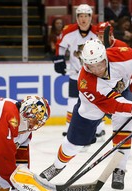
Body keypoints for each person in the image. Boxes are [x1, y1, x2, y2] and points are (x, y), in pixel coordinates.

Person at [40, 39, 132, 191]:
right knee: (73, 143)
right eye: (91, 66)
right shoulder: (85, 81)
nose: (97, 69)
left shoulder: (122, 55)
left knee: (123, 129)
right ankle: (57, 166)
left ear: (105, 57)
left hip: (120, 95)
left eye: (100, 64)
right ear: (85, 63)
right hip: (91, 107)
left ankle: (119, 169)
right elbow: (114, 104)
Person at [97, 21, 132, 156]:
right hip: (109, 88)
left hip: (129, 83)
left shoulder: (121, 46)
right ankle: (100, 132)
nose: (101, 38)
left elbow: (131, 65)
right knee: (110, 112)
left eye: (103, 35)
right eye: (98, 35)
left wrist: (123, 81)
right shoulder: (95, 48)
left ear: (111, 34)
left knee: (131, 111)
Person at [52, 4, 102, 138]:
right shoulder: (69, 31)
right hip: (76, 74)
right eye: (80, 16)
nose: (83, 19)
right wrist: (59, 59)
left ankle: (99, 128)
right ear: (77, 17)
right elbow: (60, 45)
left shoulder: (97, 32)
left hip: (94, 75)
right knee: (72, 101)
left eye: (86, 16)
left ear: (91, 17)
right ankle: (69, 127)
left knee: (96, 101)